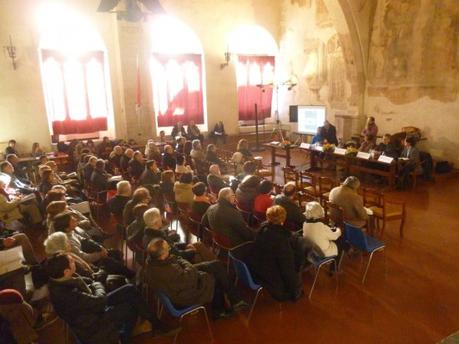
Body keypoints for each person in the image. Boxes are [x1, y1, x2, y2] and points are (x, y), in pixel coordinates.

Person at [46, 253, 180, 344]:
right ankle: (125, 337)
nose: (74, 261)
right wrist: (97, 285)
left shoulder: (60, 281)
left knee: (129, 290)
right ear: (66, 271)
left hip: (90, 310)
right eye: (71, 261)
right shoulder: (66, 295)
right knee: (130, 307)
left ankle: (154, 323)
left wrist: (95, 284)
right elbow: (98, 301)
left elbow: (90, 285)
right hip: (93, 324)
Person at [144, 238, 248, 319]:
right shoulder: (167, 271)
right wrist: (182, 262)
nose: (170, 250)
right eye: (168, 249)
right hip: (184, 295)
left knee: (216, 265)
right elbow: (190, 275)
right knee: (214, 278)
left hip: (182, 280)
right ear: (162, 255)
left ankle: (235, 300)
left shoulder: (153, 263)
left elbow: (180, 265)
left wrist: (180, 261)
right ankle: (220, 311)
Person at [246, 205, 305, 302]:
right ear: (283, 219)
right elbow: (287, 269)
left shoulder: (261, 229)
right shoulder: (282, 240)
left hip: (258, 269)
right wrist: (295, 290)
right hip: (271, 278)